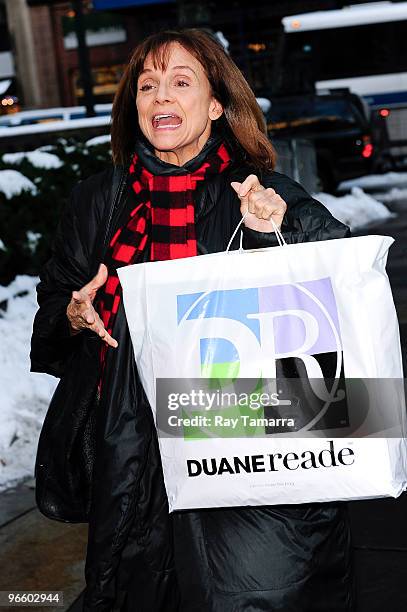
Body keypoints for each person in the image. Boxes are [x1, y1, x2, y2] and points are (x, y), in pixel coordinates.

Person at [30, 29, 354, 612]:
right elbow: (51, 313)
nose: (161, 99)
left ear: (215, 106)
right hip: (133, 458)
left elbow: (342, 284)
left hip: (246, 444)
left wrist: (271, 234)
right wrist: (76, 315)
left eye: (181, 83)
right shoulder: (98, 202)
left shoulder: (261, 193)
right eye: (147, 86)